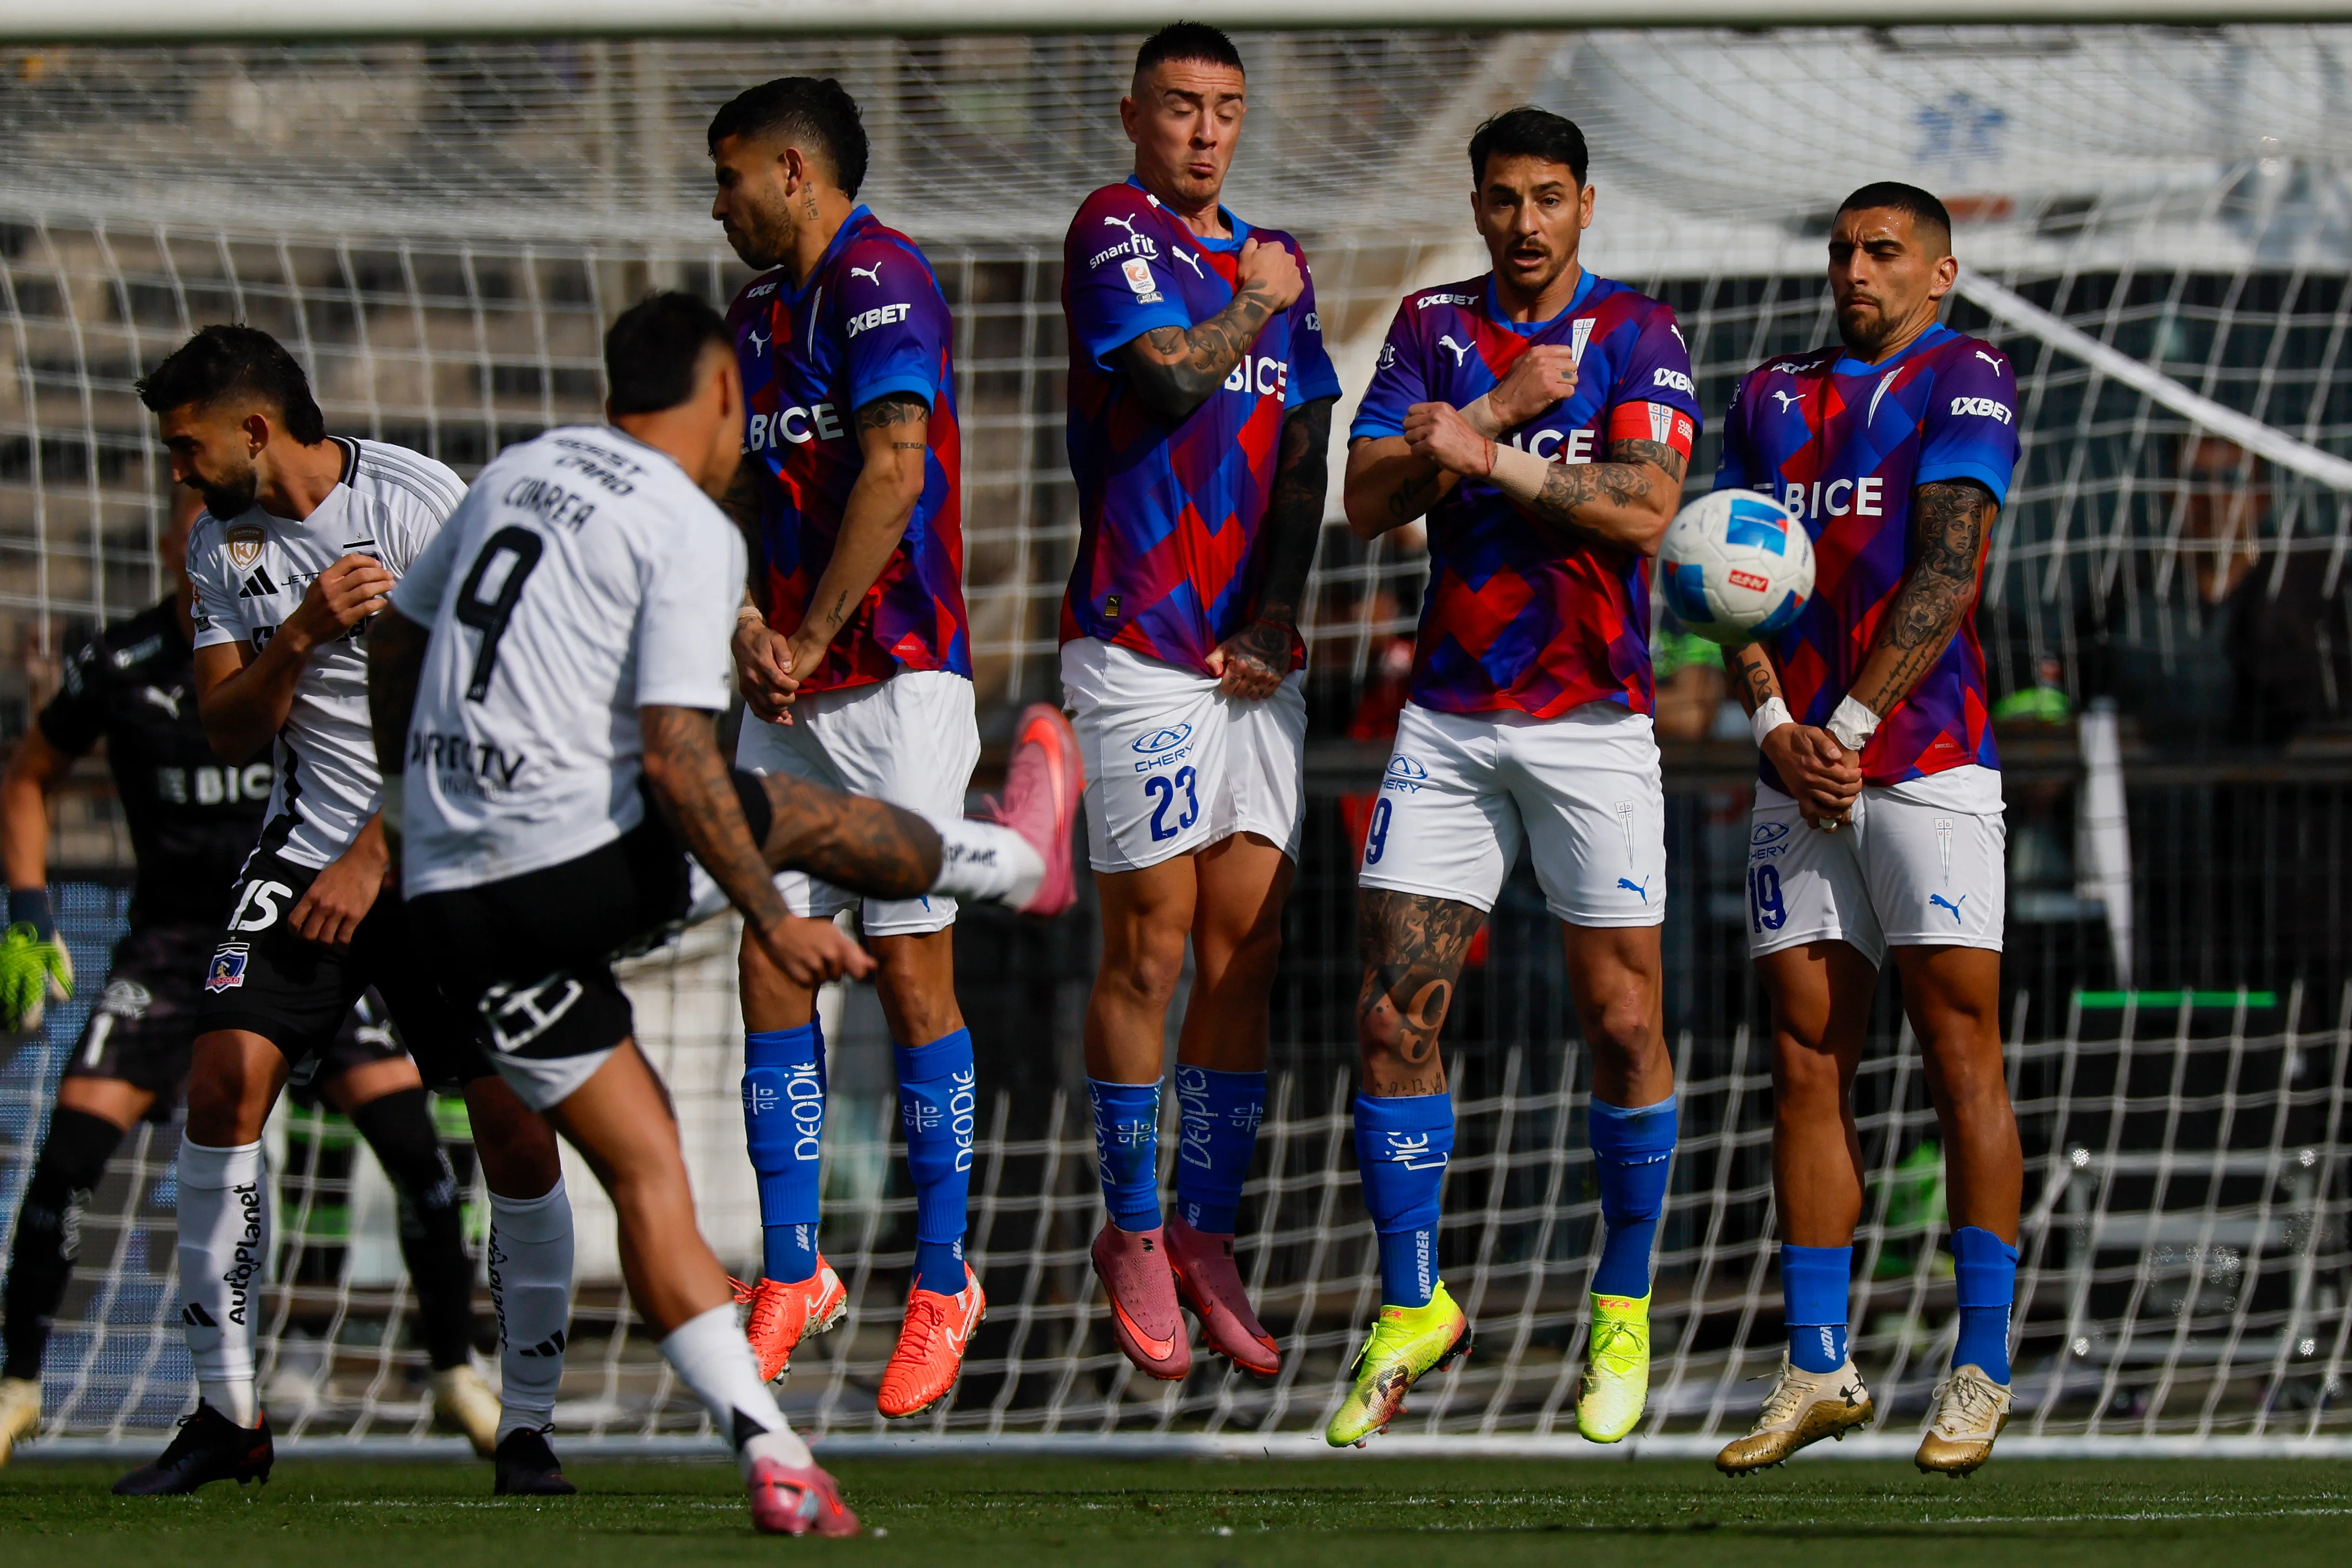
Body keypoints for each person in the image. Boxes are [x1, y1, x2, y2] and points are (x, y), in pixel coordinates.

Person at [366, 292, 1078, 1536]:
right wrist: (774, 913)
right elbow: (681, 765)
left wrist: (407, 791)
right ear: (711, 398)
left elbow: (398, 640)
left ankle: (765, 1446)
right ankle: (1015, 861)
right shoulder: (684, 527)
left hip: (441, 897)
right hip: (552, 875)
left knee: (639, 1172)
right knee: (778, 813)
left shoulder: (511, 474)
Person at [108, 328, 577, 1498]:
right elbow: (226, 729)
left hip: (447, 853)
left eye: (187, 446)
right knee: (221, 1086)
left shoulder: (423, 504)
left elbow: (501, 707)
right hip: (303, 851)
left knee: (515, 1125)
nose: (178, 470)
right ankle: (228, 1414)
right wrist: (306, 632)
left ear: (254, 430)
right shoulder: (216, 542)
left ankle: (526, 1426)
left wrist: (380, 851)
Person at [1335, 106, 1699, 1448]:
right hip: (1447, 723)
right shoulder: (1434, 325)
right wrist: (1489, 408)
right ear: (1478, 205)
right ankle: (1410, 1304)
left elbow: (1648, 508)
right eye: (1503, 198)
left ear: (1586, 206)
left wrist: (1483, 455)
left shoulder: (1640, 336)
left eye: (1550, 197)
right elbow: (1368, 494)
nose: (1526, 222)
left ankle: (1619, 1302)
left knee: (1619, 1023)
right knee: (1392, 1018)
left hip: (1592, 723)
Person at [0, 492, 498, 1465]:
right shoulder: (120, 663)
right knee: (68, 1156)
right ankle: (19, 1382)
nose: (223, 550)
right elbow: (29, 774)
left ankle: (453, 1366)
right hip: (177, 944)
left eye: (240, 533)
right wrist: (27, 912)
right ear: (171, 542)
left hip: (303, 922)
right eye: (199, 529)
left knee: (411, 1141)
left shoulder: (318, 638)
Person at [1711, 182, 2024, 1477]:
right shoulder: (1767, 397)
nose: (1854, 269)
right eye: (1842, 250)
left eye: (1882, 252)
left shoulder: (1968, 376)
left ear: (1938, 273)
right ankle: (1817, 1361)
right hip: (1802, 765)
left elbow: (1950, 568)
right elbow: (1718, 574)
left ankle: (1982, 1364)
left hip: (1926, 764)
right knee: (1802, 1058)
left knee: (1959, 1053)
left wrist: (1841, 723)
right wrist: (1774, 720)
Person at [707, 75, 1006, 1416]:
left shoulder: (885, 279)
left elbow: (894, 472)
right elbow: (721, 492)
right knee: (769, 953)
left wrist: (810, 630)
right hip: (795, 688)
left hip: (895, 682)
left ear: (789, 169)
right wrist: (739, 624)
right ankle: (791, 1269)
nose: (715, 207)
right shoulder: (753, 319)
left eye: (726, 180)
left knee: (907, 967)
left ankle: (943, 1273)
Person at [1057, 21, 1338, 1383]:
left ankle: (1205, 1231)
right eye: (1180, 107)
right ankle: (1127, 1227)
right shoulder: (1114, 228)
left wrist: (1282, 610)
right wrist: (1257, 301)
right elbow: (1171, 378)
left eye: (1226, 108)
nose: (1206, 132)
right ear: (1132, 115)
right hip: (1136, 643)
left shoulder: (1279, 257)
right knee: (1151, 948)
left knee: (1247, 950)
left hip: (1248, 661)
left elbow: (1304, 453)